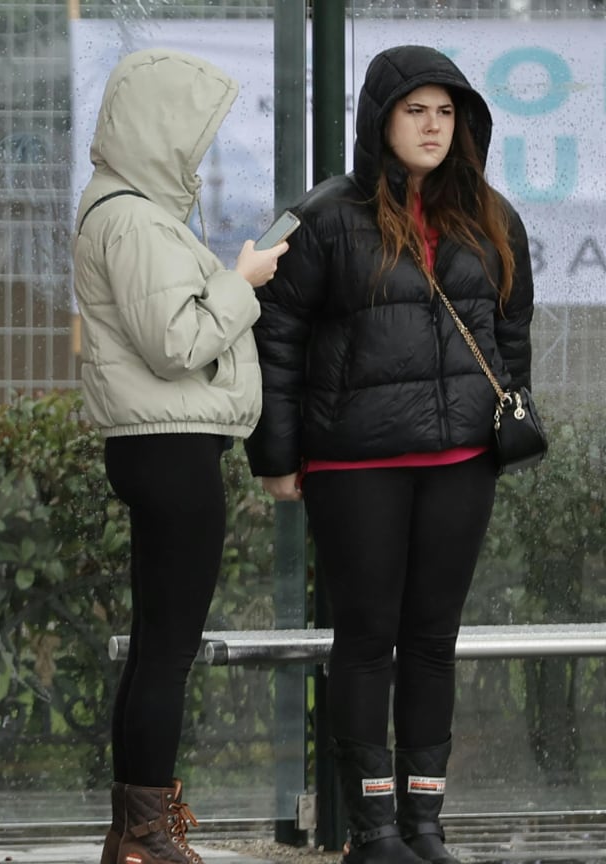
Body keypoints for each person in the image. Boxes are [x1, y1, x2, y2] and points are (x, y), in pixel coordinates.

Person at [245, 45, 534, 864]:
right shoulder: (322, 217)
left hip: (460, 463)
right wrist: (276, 454)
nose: (433, 127)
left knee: (434, 640)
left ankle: (424, 825)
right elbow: (276, 337)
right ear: (381, 119)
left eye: (446, 112)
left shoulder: (491, 215)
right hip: (356, 464)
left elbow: (510, 329)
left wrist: (504, 420)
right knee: (367, 638)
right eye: (416, 112)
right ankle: (372, 831)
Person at [74, 48, 287, 864]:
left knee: (156, 648)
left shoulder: (127, 210)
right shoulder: (132, 218)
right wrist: (244, 281)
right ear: (159, 128)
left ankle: (134, 834)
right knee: (168, 652)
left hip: (158, 444)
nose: (200, 151)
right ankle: (148, 837)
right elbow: (177, 342)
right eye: (193, 132)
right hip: (169, 448)